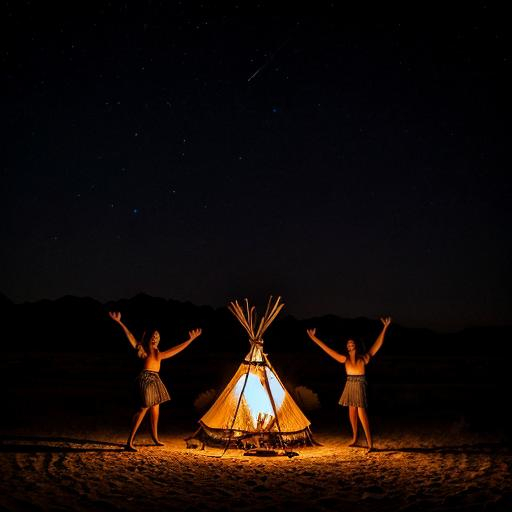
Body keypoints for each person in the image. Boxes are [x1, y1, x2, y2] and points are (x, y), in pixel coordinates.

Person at [109, 311, 202, 451]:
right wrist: (119, 322)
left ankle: (155, 438)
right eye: (153, 336)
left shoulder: (159, 353)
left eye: (157, 336)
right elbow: (130, 336)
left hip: (156, 379)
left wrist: (190, 340)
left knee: (155, 409)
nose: (155, 338)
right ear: (147, 338)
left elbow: (176, 350)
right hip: (146, 378)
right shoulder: (143, 350)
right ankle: (129, 442)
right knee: (143, 408)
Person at [306, 317, 391, 453]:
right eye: (348, 345)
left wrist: (385, 328)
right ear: (347, 348)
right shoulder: (344, 359)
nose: (350, 346)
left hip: (359, 384)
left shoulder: (364, 358)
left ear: (356, 346)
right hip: (349, 384)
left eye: (352, 344)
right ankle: (355, 438)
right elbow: (327, 350)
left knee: (362, 413)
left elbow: (377, 344)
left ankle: (370, 444)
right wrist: (313, 338)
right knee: (351, 412)